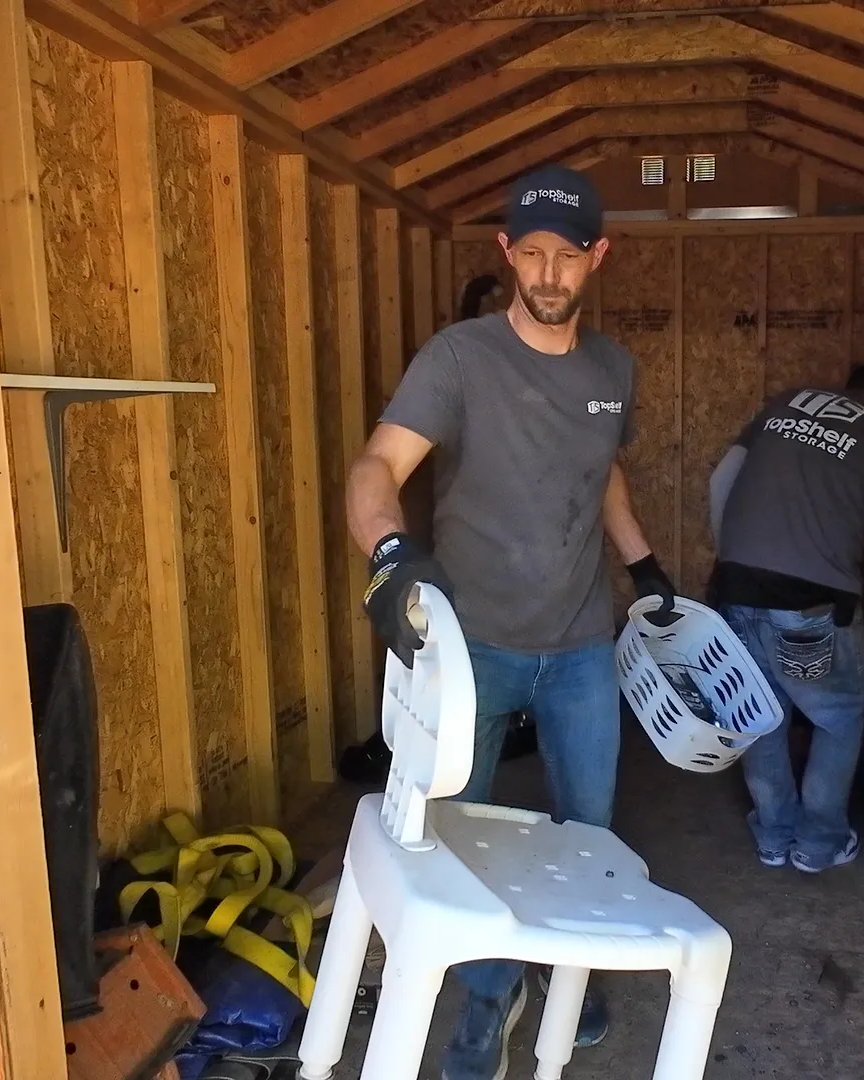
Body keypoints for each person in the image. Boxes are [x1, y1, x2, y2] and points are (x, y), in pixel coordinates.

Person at [344, 164, 675, 1080]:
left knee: (588, 839)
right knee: (461, 841)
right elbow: (377, 465)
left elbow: (603, 468)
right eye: (530, 254)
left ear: (596, 258)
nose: (548, 275)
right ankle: (491, 1003)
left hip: (577, 649)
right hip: (471, 644)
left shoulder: (615, 370)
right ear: (506, 254)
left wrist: (643, 563)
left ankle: (571, 973)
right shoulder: (459, 358)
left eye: (568, 257)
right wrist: (388, 556)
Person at [706, 364, 864, 874]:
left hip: (736, 585)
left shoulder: (787, 402)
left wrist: (732, 561)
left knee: (759, 711)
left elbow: (719, 483)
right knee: (839, 716)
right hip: (811, 603)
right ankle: (817, 844)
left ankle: (774, 837)